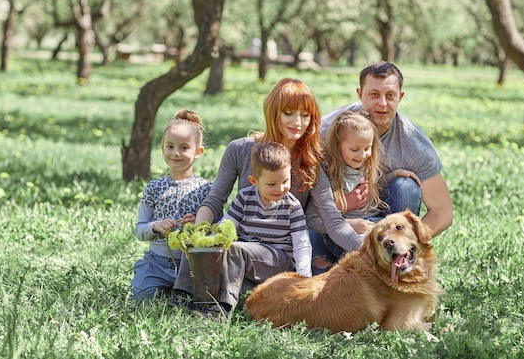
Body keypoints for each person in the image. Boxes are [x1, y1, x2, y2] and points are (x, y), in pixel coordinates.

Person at [321, 61, 453, 238]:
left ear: (401, 96)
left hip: (381, 226)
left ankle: (390, 259)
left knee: (405, 186)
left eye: (390, 95)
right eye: (374, 94)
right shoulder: (327, 131)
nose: (382, 103)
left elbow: (442, 212)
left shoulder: (413, 143)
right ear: (360, 94)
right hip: (326, 223)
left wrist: (407, 242)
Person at [191, 141, 312, 320]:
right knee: (203, 249)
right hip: (248, 263)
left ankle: (221, 309)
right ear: (254, 181)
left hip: (278, 260)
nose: (280, 189)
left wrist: (303, 277)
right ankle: (187, 295)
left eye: (285, 181)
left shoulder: (291, 205)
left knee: (236, 248)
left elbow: (302, 243)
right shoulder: (245, 197)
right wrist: (209, 244)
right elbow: (227, 225)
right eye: (272, 184)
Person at [309, 109, 419, 270]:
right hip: (342, 235)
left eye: (367, 148)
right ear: (337, 146)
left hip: (374, 225)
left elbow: (375, 187)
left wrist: (394, 175)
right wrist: (350, 224)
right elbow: (312, 220)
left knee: (389, 249)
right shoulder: (329, 176)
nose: (362, 155)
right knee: (358, 261)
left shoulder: (366, 168)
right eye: (354, 149)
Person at [129, 109, 213, 301]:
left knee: (200, 300)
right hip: (156, 262)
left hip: (192, 263)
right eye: (170, 146)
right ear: (162, 148)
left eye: (184, 148)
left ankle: (178, 292)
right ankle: (159, 286)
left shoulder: (207, 189)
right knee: (139, 298)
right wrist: (155, 226)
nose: (176, 153)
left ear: (198, 152)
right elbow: (140, 229)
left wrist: (200, 224)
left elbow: (218, 229)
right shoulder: (154, 187)